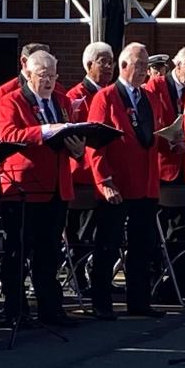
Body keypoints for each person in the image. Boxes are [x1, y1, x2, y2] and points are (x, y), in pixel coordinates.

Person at [0, 50, 84, 328]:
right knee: (18, 251)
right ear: (29, 74)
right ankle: (16, 309)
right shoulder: (12, 100)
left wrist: (78, 149)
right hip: (25, 187)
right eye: (43, 75)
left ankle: (51, 308)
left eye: (53, 75)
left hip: (57, 185)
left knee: (49, 252)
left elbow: (69, 136)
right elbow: (9, 135)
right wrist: (46, 130)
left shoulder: (62, 100)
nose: (49, 81)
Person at [87, 42, 166, 319]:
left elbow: (151, 136)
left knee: (142, 246)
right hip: (117, 184)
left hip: (145, 183)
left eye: (146, 65)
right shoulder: (106, 97)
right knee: (108, 245)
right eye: (140, 64)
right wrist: (104, 180)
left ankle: (139, 301)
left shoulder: (148, 98)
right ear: (123, 66)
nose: (145, 70)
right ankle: (101, 302)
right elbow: (94, 145)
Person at [144, 46, 185, 298]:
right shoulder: (155, 87)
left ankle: (176, 282)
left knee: (180, 227)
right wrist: (168, 138)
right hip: (161, 167)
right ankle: (154, 280)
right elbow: (148, 125)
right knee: (156, 228)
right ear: (177, 66)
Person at [64, 42, 114, 293]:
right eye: (102, 61)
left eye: (111, 61)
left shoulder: (113, 94)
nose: (108, 67)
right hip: (81, 175)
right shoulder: (75, 96)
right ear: (88, 64)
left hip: (105, 174)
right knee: (80, 233)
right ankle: (77, 278)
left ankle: (97, 277)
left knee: (100, 233)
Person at [0, 43, 67, 100]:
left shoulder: (58, 89)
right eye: (39, 61)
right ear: (24, 61)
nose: (45, 64)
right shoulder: (6, 92)